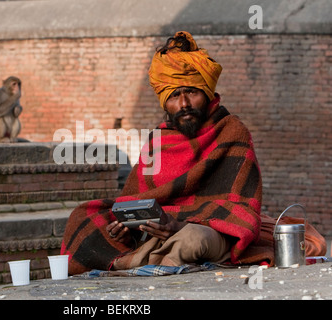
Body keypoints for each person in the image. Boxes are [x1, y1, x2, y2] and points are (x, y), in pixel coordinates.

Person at [61, 31, 326, 275]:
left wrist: (179, 224)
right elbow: (136, 199)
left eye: (191, 92)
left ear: (207, 93)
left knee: (191, 241)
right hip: (156, 230)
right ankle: (143, 258)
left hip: (209, 231)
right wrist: (125, 224)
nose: (184, 103)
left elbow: (240, 207)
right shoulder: (159, 139)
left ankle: (137, 262)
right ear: (165, 102)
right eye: (174, 95)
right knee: (82, 218)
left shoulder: (232, 132)